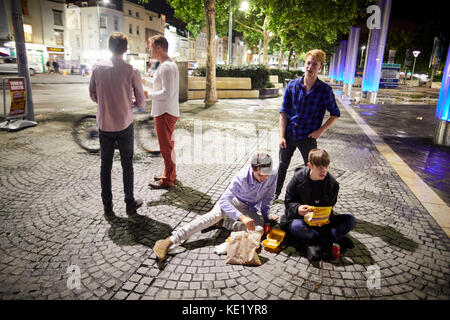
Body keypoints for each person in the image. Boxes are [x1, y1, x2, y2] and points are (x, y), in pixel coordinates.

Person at [153, 153, 279, 262]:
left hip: (249, 209)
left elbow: (268, 198)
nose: (265, 178)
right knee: (212, 216)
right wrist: (241, 217)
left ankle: (224, 223)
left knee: (258, 231)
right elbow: (224, 200)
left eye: (267, 175)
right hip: (233, 202)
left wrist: (266, 216)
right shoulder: (241, 177)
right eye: (261, 175)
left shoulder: (272, 174)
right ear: (252, 169)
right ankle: (169, 240)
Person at [89, 32, 145, 216]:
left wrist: (106, 103)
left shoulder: (97, 68)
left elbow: (93, 95)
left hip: (105, 124)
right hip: (124, 123)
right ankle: (129, 202)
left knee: (105, 165)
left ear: (109, 48)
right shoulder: (131, 70)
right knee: (127, 164)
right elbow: (141, 101)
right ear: (126, 49)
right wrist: (130, 103)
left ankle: (108, 206)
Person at [275, 49, 340, 199]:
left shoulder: (324, 90)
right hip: (289, 134)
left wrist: (320, 131)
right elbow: (283, 113)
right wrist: (281, 136)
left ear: (320, 67)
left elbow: (335, 114)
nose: (310, 67)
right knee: (282, 166)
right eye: (308, 63)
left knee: (313, 169)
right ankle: (275, 193)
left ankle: (309, 198)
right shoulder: (292, 86)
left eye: (314, 64)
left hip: (308, 137)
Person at [280, 149, 356, 261]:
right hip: (302, 219)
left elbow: (330, 205)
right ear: (310, 165)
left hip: (322, 222)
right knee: (296, 227)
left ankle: (316, 243)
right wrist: (298, 208)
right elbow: (288, 201)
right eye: (319, 167)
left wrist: (324, 218)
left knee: (351, 220)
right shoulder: (298, 178)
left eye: (326, 167)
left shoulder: (332, 183)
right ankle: (331, 240)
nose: (324, 171)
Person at [146, 35, 179, 189]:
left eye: (151, 47)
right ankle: (170, 174)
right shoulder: (165, 65)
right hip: (165, 111)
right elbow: (159, 86)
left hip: (165, 112)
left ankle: (167, 180)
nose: (149, 50)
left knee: (166, 148)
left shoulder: (166, 66)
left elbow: (167, 93)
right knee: (167, 146)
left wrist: (148, 95)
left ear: (159, 48)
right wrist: (143, 81)